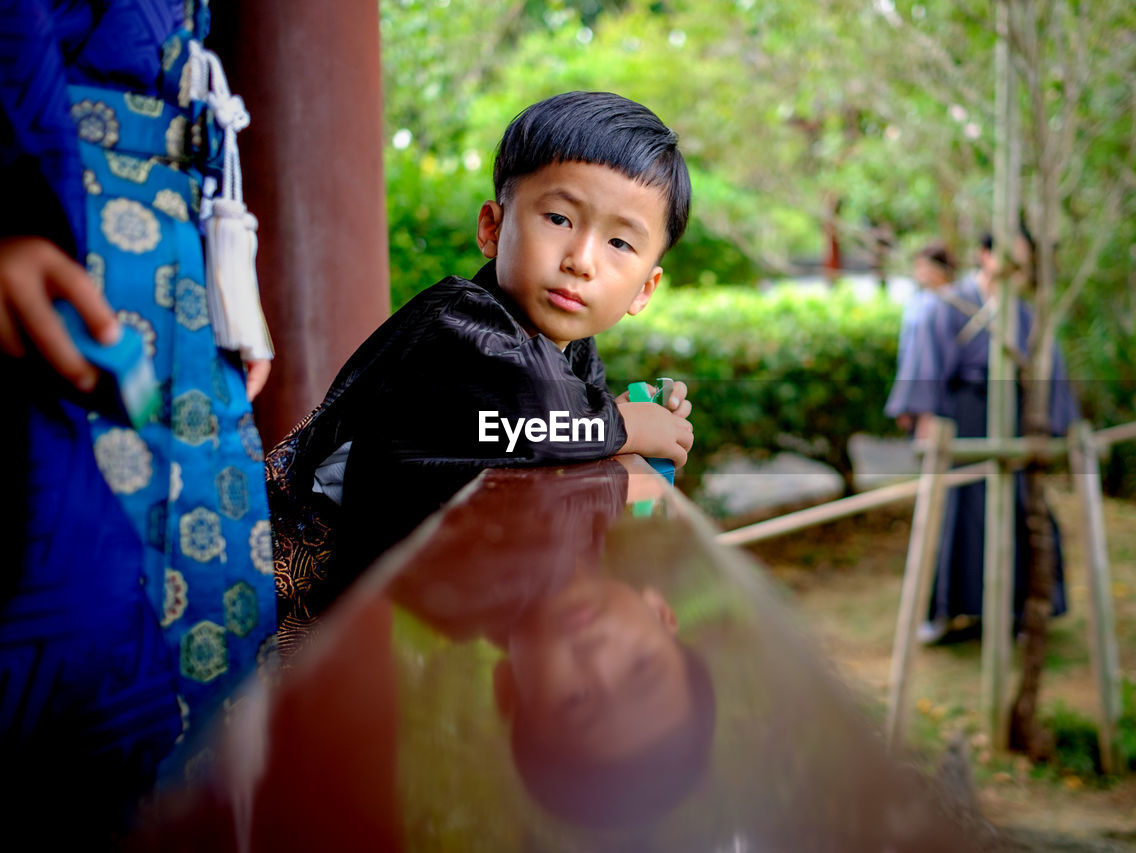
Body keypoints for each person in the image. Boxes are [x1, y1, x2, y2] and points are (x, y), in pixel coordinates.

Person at [268, 91, 695, 643]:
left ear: (645, 288)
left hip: (373, 600)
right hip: (286, 570)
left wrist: (629, 422)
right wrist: (628, 425)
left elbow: (558, 438)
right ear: (492, 228)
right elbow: (535, 416)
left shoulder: (570, 346)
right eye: (560, 218)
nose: (581, 261)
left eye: (619, 241)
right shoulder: (462, 325)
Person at [0, 0, 277, 838]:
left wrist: (229, 280)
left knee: (221, 639)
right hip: (54, 235)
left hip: (177, 254)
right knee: (74, 636)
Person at [391, 458, 715, 829]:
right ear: (661, 613)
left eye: (575, 701)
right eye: (641, 667)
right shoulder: (594, 526)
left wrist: (607, 437)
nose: (598, 659)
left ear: (509, 689)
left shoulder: (451, 589)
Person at [885, 231, 1078, 644]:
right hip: (965, 416)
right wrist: (926, 414)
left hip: (1014, 419)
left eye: (1022, 262)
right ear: (985, 255)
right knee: (959, 511)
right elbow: (927, 358)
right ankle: (948, 611)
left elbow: (1050, 366)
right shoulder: (949, 304)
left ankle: (1021, 611)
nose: (1015, 269)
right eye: (1009, 258)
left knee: (1021, 509)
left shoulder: (1027, 314)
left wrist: (1055, 422)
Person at [892, 241, 957, 431]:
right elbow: (907, 358)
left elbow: (935, 360)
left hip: (943, 399)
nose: (918, 272)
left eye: (923, 266)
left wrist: (927, 408)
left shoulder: (951, 303)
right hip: (917, 395)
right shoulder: (917, 302)